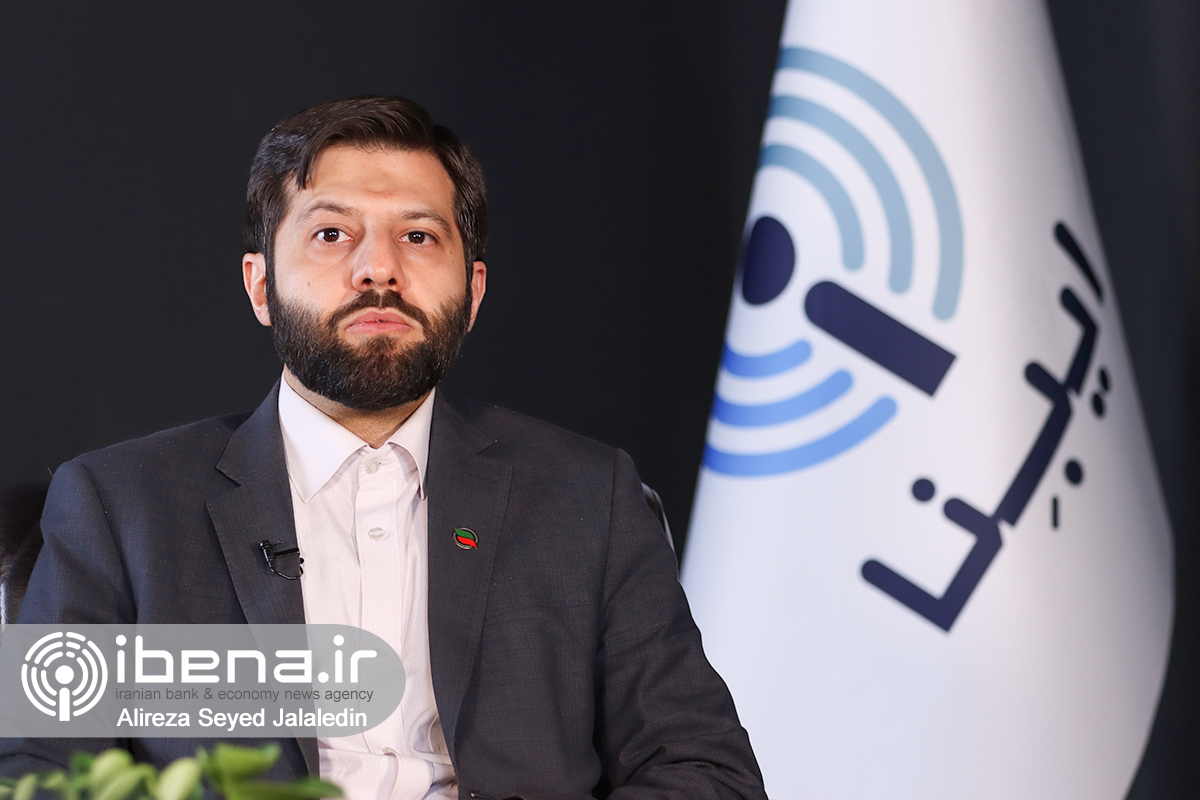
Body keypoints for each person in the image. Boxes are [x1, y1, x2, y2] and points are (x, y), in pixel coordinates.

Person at [0, 96, 766, 800]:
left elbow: (705, 772)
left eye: (418, 236)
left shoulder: (588, 498)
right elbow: (37, 767)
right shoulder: (120, 503)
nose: (378, 269)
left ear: (473, 293)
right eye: (332, 234)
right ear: (261, 286)